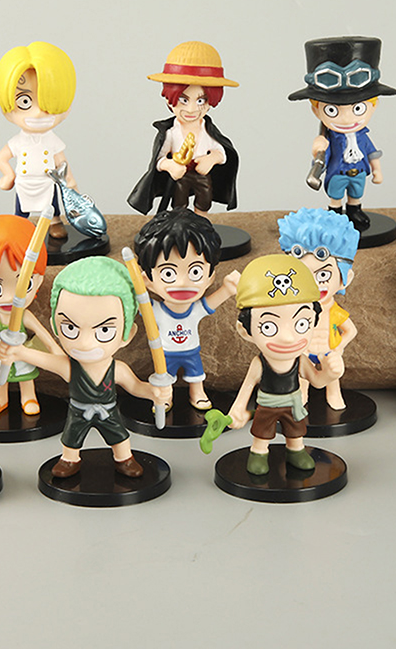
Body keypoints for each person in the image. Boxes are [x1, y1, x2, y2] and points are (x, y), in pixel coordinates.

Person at [0, 256, 171, 478]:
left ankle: (124, 458)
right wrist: (19, 352)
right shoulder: (69, 367)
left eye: (104, 331)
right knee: (71, 438)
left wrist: (155, 393)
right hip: (78, 411)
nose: (85, 343)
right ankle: (69, 459)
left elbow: (136, 387)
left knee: (119, 437)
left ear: (127, 334)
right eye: (70, 328)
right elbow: (44, 360)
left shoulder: (118, 369)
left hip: (108, 411)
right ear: (55, 326)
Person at [224, 255, 322, 475]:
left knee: (296, 430)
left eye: (301, 323)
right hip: (267, 404)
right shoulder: (259, 363)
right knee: (262, 431)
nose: (287, 338)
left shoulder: (300, 360)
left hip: (294, 403)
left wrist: (332, 373)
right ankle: (258, 453)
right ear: (245, 330)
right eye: (269, 326)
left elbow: (317, 381)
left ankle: (296, 451)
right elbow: (247, 386)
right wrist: (238, 409)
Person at [133, 207, 239, 410]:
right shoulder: (154, 309)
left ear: (210, 277)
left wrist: (227, 289)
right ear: (148, 280)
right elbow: (136, 304)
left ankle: (197, 392)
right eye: (169, 274)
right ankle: (165, 396)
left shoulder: (195, 309)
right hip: (165, 353)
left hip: (192, 351)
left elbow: (211, 303)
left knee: (196, 375)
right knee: (164, 378)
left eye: (195, 271)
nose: (182, 283)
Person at [288, 36, 396, 231]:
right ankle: (335, 215)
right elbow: (322, 156)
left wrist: (377, 170)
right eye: (332, 110)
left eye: (357, 109)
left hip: (359, 173)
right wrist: (317, 150)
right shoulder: (329, 138)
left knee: (356, 194)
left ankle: (355, 211)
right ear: (316, 110)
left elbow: (372, 153)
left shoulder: (363, 136)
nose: (346, 119)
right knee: (336, 196)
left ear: (374, 106)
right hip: (337, 173)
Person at [0, 215, 61, 416]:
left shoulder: (25, 317)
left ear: (38, 281)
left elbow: (46, 338)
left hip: (23, 355)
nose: (9, 297)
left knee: (26, 376)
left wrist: (59, 355)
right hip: (0, 356)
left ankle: (29, 397)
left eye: (24, 284)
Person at [128, 41, 239, 218]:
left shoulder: (207, 131)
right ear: (169, 98)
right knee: (179, 201)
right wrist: (170, 165)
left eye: (201, 100)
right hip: (180, 175)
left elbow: (221, 152)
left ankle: (201, 223)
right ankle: (179, 221)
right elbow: (159, 159)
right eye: (183, 100)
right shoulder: (171, 133)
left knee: (204, 199)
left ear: (212, 100)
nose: (192, 109)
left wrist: (211, 159)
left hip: (201, 175)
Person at [0, 42, 77, 240]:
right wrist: (8, 175)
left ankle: (55, 222)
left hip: (47, 181)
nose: (38, 113)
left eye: (47, 102)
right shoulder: (18, 141)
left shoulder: (52, 140)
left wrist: (70, 179)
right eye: (25, 102)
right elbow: (0, 158)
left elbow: (61, 161)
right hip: (24, 182)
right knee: (21, 207)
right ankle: (20, 224)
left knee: (52, 204)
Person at [278, 208, 360, 410]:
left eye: (323, 275)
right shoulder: (295, 310)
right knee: (301, 377)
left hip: (327, 352)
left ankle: (334, 395)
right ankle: (301, 396)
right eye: (305, 275)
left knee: (333, 378)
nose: (314, 284)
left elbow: (351, 330)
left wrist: (338, 348)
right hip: (304, 352)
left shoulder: (334, 310)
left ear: (345, 279)